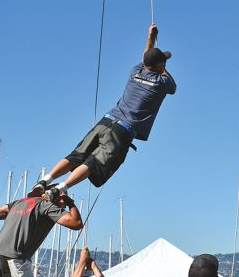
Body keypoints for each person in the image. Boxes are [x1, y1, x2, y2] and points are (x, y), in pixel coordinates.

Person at [27, 24, 176, 201]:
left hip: (106, 120)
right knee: (94, 163)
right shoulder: (161, 83)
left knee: (76, 155)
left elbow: (146, 58)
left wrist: (150, 38)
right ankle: (59, 189)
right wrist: (162, 65)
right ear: (160, 65)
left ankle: (45, 180)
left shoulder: (135, 71)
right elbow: (173, 87)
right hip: (122, 130)